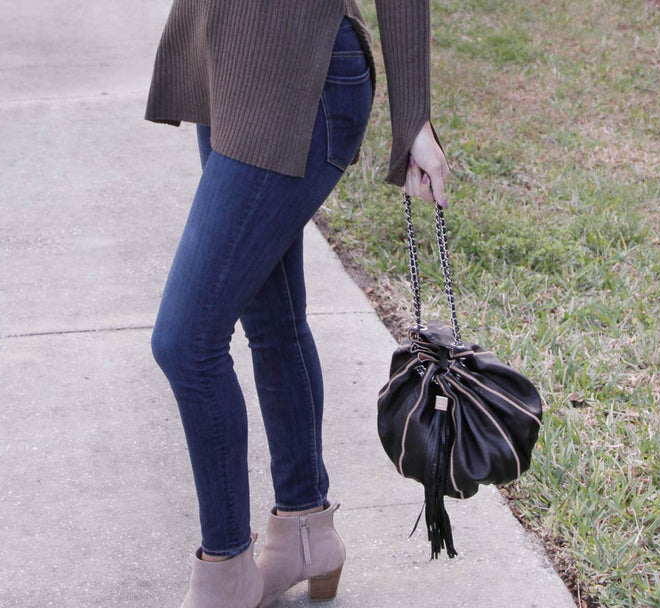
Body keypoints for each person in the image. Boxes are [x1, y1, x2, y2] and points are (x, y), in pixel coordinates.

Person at [145, 1, 449, 607]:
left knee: (186, 342)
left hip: (300, 73)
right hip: (230, 63)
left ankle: (227, 570)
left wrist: (413, 114)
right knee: (272, 320)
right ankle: (305, 529)